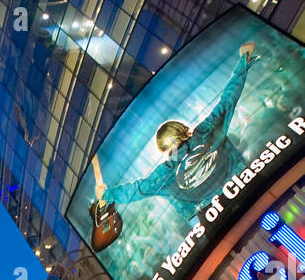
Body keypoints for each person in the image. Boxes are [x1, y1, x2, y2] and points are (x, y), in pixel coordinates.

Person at [93, 42, 258, 227]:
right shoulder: (207, 129)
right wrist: (243, 61)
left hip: (216, 217)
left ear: (165, 148)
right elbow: (228, 99)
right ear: (182, 129)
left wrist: (107, 195)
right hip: (245, 185)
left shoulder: (165, 174)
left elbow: (137, 189)